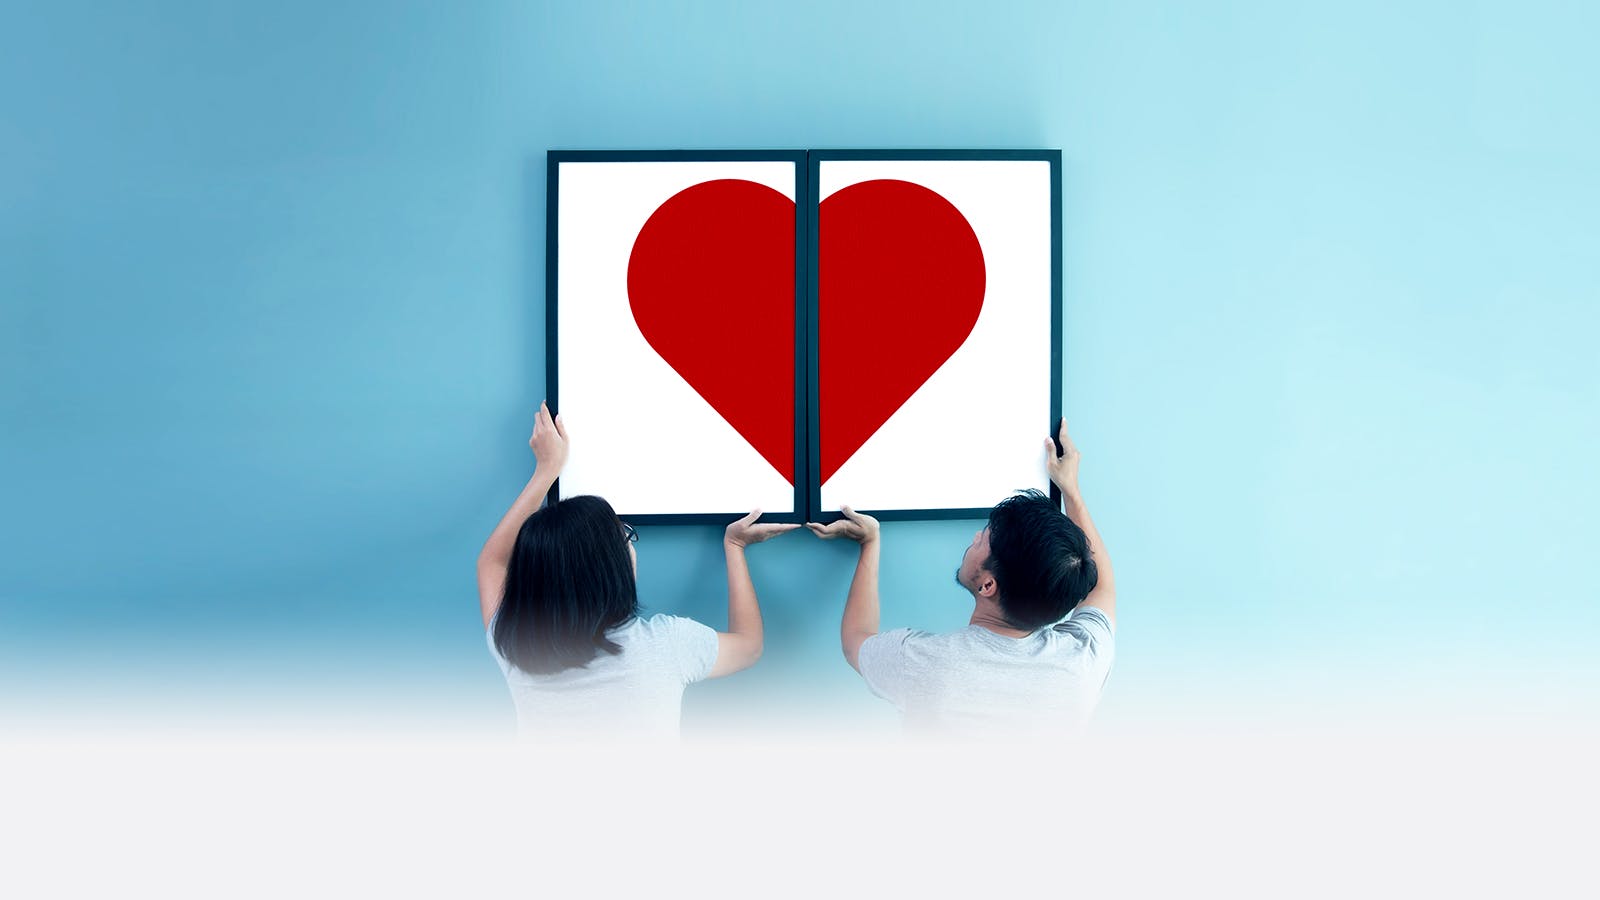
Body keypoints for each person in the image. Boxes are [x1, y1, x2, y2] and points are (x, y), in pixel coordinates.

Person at [476, 401, 798, 739]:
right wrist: (734, 547)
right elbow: (749, 646)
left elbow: (491, 563)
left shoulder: (514, 645)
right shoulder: (666, 646)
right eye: (625, 536)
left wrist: (546, 471)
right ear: (610, 571)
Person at [809, 419, 1115, 738]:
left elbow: (855, 640)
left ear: (987, 585)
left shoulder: (926, 663)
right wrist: (1071, 491)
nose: (976, 535)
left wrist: (869, 543)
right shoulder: (1082, 664)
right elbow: (1101, 586)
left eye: (984, 539)